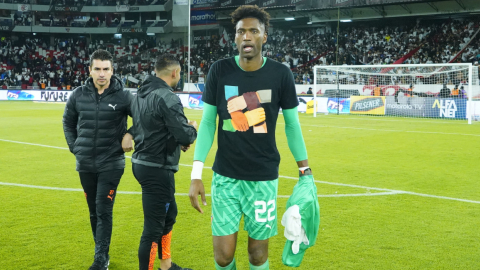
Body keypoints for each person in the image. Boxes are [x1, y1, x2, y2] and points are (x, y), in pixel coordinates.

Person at [188, 5, 313, 270]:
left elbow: (292, 125)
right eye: (241, 31)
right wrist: (195, 173)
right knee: (223, 256)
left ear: (264, 36)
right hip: (225, 177)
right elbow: (209, 122)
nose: (247, 36)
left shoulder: (281, 74)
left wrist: (305, 169)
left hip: (263, 177)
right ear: (234, 37)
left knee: (257, 255)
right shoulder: (219, 71)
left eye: (253, 31)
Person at [62, 49, 133, 270]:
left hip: (111, 162)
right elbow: (68, 122)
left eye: (106, 69)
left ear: (112, 71)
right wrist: (75, 148)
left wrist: (131, 133)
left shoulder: (124, 96)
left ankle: (101, 259)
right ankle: (101, 253)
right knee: (93, 210)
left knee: (103, 209)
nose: (102, 73)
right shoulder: (78, 95)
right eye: (97, 69)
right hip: (85, 163)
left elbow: (142, 118)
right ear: (90, 70)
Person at [125, 54, 197, 270]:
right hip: (157, 167)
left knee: (168, 215)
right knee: (153, 228)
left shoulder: (140, 94)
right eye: (180, 73)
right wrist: (191, 128)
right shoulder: (167, 96)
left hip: (145, 163)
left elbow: (151, 127)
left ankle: (166, 266)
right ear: (175, 73)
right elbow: (184, 135)